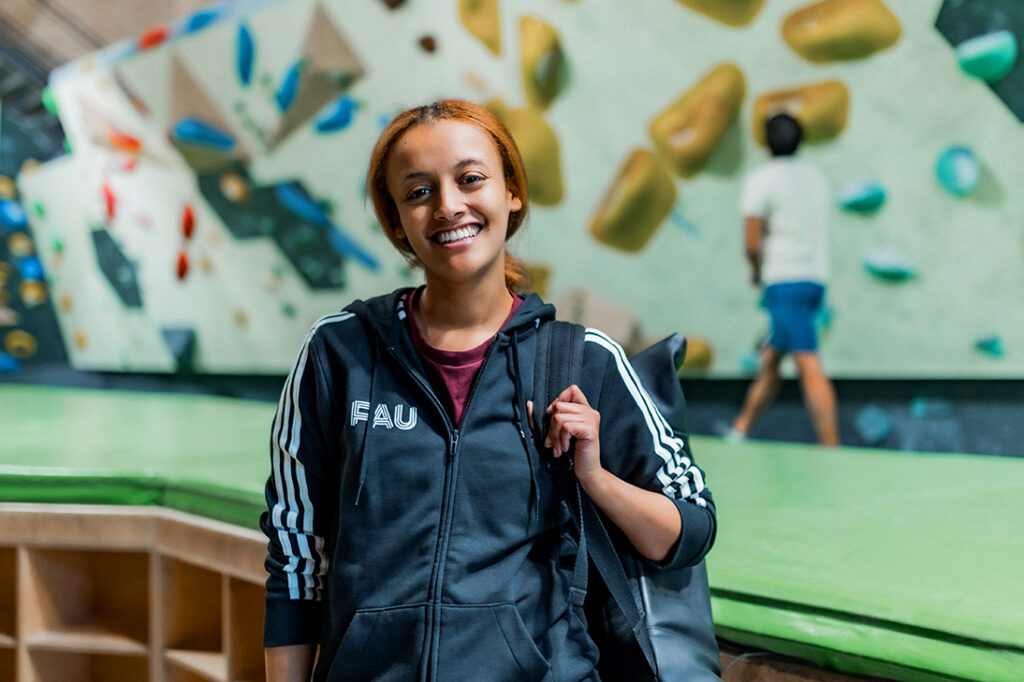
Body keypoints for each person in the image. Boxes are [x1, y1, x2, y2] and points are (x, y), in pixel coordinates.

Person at [260, 99, 716, 681]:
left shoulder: (583, 358)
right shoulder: (339, 352)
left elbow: (689, 530)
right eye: (419, 192)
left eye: (470, 179)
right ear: (398, 221)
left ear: (512, 193)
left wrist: (595, 479)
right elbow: (297, 557)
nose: (449, 206)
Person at [728, 112, 839, 446]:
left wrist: (755, 270)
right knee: (772, 359)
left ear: (764, 141)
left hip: (784, 281)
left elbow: (751, 241)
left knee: (808, 363)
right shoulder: (816, 178)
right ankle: (741, 428)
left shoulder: (760, 179)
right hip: (814, 280)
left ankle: (832, 446)